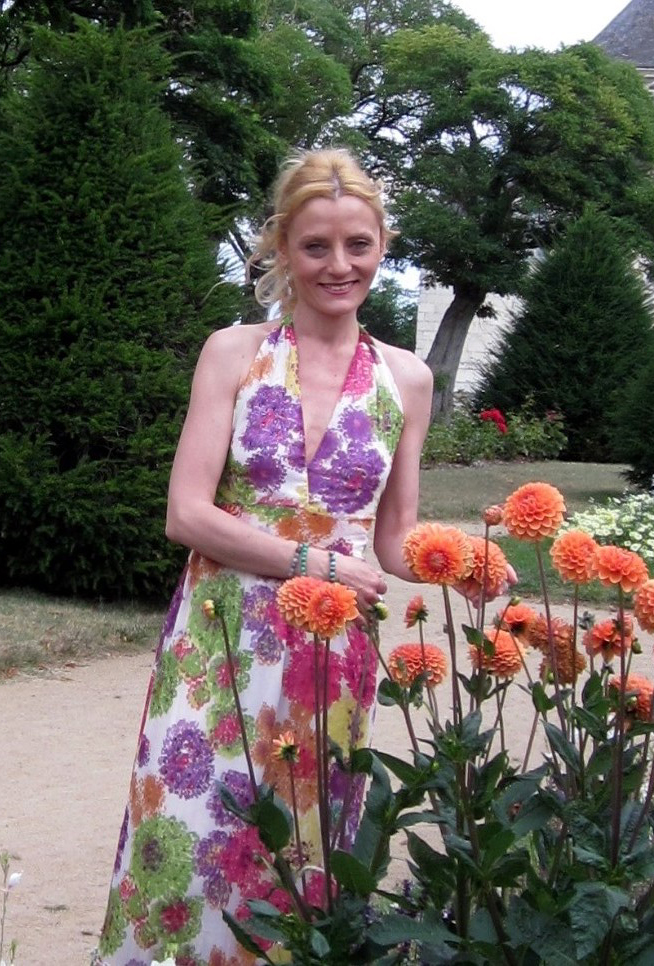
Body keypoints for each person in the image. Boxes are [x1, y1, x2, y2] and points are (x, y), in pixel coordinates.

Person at [95, 148, 433, 964]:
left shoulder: (407, 380)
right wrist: (310, 564)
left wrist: (493, 560)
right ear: (281, 248)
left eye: (358, 244)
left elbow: (394, 541)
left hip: (332, 651)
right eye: (316, 246)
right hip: (220, 639)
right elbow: (186, 513)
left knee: (305, 852)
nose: (338, 265)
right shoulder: (233, 352)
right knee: (187, 826)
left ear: (382, 244)